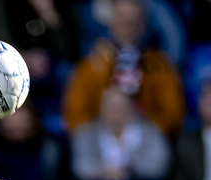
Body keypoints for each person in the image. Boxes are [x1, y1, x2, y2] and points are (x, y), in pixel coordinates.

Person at [63, 0, 185, 137]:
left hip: (146, 141)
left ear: (143, 25)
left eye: (132, 22)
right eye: (122, 21)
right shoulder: (92, 64)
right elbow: (75, 115)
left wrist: (145, 133)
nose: (127, 28)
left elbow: (172, 114)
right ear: (111, 23)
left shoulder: (159, 66)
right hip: (100, 142)